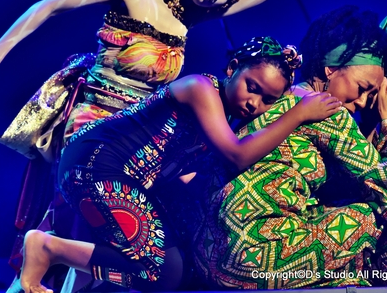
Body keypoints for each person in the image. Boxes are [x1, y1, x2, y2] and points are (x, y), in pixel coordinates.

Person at [0, 0, 373, 282]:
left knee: (134, 251)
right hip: (96, 122)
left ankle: (52, 265)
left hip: (145, 138)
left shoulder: (193, 14)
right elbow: (52, 5)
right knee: (87, 229)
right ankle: (44, 261)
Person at [17, 36, 342, 293]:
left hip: (122, 178)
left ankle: (57, 253)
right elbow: (237, 155)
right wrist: (298, 114)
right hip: (96, 164)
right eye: (252, 88)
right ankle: (48, 249)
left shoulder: (226, 116)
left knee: (172, 271)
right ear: (232, 69)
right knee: (164, 269)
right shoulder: (200, 88)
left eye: (268, 100)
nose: (254, 103)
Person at [193, 6, 387, 293]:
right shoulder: (326, 111)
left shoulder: (281, 99)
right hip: (252, 254)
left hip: (211, 255)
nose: (361, 102)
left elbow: (348, 188)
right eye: (362, 88)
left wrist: (370, 122)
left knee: (357, 262)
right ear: (331, 68)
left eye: (371, 95)